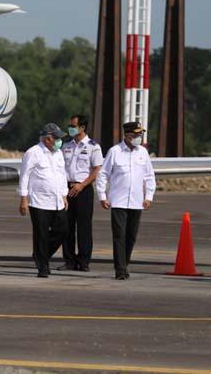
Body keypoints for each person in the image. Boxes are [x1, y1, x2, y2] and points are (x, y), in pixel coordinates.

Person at [95, 121, 156, 280]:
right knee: (119, 235)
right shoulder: (115, 152)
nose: (138, 137)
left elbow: (149, 177)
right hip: (118, 201)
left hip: (137, 202)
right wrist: (102, 196)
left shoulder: (143, 152)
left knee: (131, 236)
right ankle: (120, 269)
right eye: (136, 134)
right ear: (127, 135)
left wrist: (148, 197)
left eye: (140, 134)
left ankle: (124, 262)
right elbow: (103, 174)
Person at [18, 123, 69, 278]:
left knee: (63, 230)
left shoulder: (58, 153)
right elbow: (24, 175)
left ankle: (41, 254)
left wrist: (64, 195)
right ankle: (43, 267)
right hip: (38, 201)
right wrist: (23, 199)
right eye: (57, 138)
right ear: (48, 139)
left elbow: (62, 175)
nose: (60, 141)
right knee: (41, 234)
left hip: (57, 200)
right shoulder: (33, 153)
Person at [59, 114, 103, 272]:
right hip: (67, 189)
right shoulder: (66, 146)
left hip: (83, 190)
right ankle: (69, 261)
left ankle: (83, 261)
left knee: (84, 227)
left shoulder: (93, 146)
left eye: (73, 126)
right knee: (66, 226)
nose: (70, 128)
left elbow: (97, 169)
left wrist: (82, 185)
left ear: (82, 128)